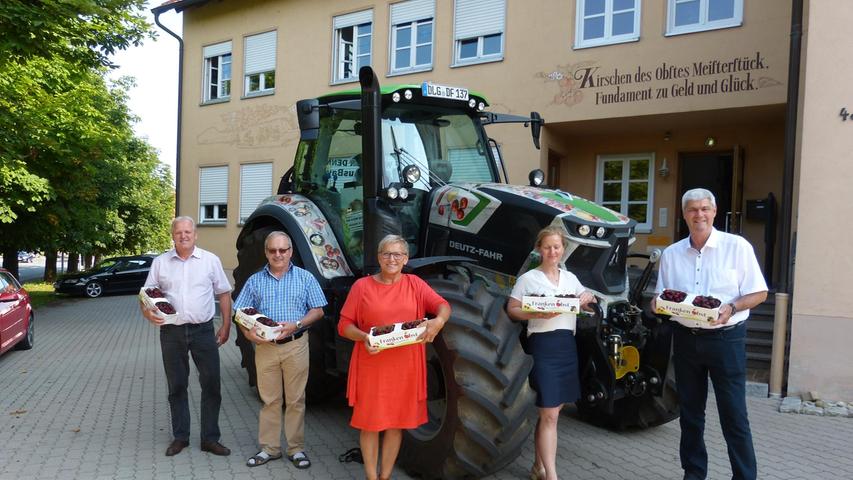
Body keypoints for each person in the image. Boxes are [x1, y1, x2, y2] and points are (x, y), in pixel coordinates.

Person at [654, 188, 767, 480]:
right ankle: (693, 474)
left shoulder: (737, 247)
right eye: (692, 209)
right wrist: (657, 304)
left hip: (726, 340)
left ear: (715, 212)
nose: (699, 215)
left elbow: (759, 292)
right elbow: (662, 298)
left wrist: (732, 306)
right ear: (684, 214)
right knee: (690, 415)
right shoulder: (671, 254)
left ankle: (744, 476)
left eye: (704, 208)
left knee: (734, 417)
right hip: (686, 339)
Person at [337, 234, 451, 480]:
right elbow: (344, 325)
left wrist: (438, 321)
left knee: (395, 424)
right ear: (378, 257)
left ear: (406, 258)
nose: (392, 259)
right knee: (369, 424)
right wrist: (363, 336)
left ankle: (385, 476)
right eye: (386, 253)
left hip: (405, 368)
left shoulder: (415, 284)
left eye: (397, 254)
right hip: (372, 364)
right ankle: (371, 476)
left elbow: (443, 305)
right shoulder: (362, 287)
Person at [506, 225, 596, 480]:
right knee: (550, 413)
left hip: (567, 345)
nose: (552, 251)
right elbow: (512, 309)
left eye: (557, 247)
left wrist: (588, 297)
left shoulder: (570, 278)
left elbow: (587, 301)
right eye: (547, 247)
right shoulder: (528, 279)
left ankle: (538, 466)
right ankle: (552, 475)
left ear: (563, 250)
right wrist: (534, 313)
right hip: (543, 345)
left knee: (551, 412)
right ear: (539, 249)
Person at [233, 231, 326, 470]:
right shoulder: (255, 280)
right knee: (270, 400)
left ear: (290, 251)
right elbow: (239, 313)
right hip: (265, 348)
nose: (278, 255)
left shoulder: (305, 278)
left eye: (282, 250)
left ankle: (296, 449)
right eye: (273, 250)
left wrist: (297, 324)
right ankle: (270, 449)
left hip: (295, 345)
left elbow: (318, 311)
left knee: (295, 400)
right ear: (266, 252)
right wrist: (247, 333)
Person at [140, 216, 233, 457]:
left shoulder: (210, 261)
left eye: (188, 232)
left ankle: (210, 439)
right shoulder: (160, 263)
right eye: (179, 232)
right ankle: (180, 437)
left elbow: (224, 294)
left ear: (195, 234)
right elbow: (146, 295)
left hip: (203, 331)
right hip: (172, 332)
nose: (183, 236)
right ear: (173, 235)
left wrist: (226, 325)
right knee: (177, 386)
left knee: (211, 384)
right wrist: (149, 315)